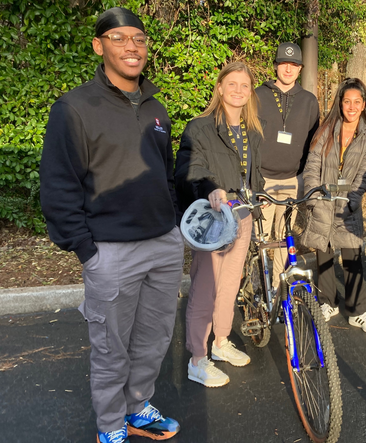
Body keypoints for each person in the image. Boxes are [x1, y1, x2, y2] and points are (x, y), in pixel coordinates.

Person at [39, 7, 183, 443]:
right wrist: (85, 249)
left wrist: (174, 224)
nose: (132, 47)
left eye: (138, 39)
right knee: (110, 346)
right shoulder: (75, 107)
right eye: (119, 38)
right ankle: (109, 425)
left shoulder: (157, 107)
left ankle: (138, 407)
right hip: (110, 251)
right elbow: (58, 183)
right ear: (100, 46)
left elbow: (167, 172)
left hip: (163, 244)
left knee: (154, 339)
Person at [175, 62, 265, 389]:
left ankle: (221, 341)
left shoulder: (252, 128)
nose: (238, 90)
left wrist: (260, 194)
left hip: (242, 215)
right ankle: (197, 359)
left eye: (244, 85)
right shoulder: (199, 127)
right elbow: (191, 168)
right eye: (232, 84)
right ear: (220, 87)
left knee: (230, 283)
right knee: (205, 286)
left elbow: (251, 173)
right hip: (214, 218)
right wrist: (210, 187)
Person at [301, 78, 366, 334]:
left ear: (364, 104)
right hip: (323, 199)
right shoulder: (326, 130)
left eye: (357, 102)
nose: (352, 106)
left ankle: (358, 311)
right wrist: (312, 194)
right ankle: (327, 302)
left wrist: (354, 198)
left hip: (348, 202)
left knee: (351, 256)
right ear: (340, 103)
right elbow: (312, 164)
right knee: (323, 253)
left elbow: (365, 174)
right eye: (347, 101)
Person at [255, 42, 319, 288]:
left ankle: (278, 288)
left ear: (300, 69)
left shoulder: (308, 100)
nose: (288, 69)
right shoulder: (258, 95)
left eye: (294, 64)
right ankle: (259, 290)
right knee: (260, 239)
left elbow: (313, 141)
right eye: (284, 63)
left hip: (293, 180)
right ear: (275, 66)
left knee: (285, 239)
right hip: (263, 181)